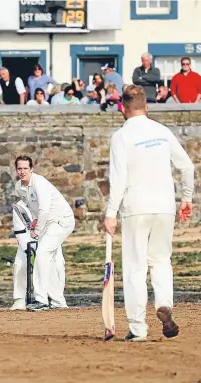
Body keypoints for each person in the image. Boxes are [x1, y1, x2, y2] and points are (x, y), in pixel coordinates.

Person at [104, 85, 195, 342]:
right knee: (161, 261)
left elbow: (118, 178)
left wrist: (111, 212)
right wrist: (186, 198)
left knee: (135, 267)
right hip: (164, 207)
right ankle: (164, 303)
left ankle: (138, 328)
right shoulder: (162, 131)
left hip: (136, 207)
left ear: (122, 107)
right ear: (147, 107)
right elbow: (187, 167)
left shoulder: (121, 136)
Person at [14, 156, 75, 311]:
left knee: (42, 254)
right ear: (16, 170)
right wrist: (35, 221)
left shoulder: (39, 183)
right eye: (19, 169)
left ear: (31, 169)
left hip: (62, 221)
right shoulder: (18, 187)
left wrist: (37, 231)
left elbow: (44, 209)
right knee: (50, 261)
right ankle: (58, 302)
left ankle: (41, 300)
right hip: (48, 223)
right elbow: (33, 208)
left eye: (25, 168)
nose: (22, 172)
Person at [10, 200, 66, 310]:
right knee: (19, 265)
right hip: (27, 243)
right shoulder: (19, 207)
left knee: (58, 265)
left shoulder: (51, 204)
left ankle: (56, 299)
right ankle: (19, 299)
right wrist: (31, 252)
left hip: (50, 241)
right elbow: (20, 233)